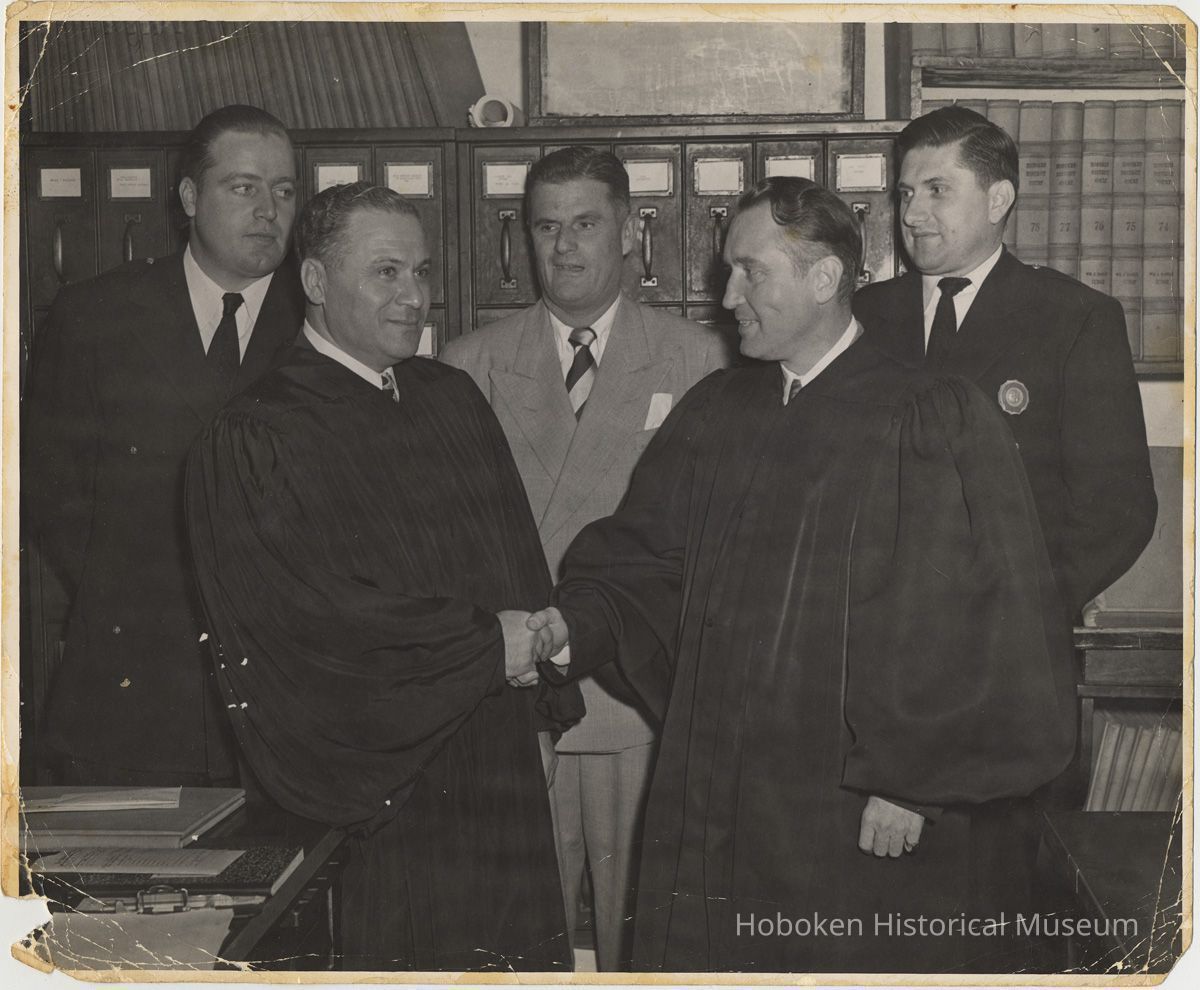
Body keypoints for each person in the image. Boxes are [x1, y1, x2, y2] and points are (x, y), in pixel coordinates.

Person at [526, 177, 1078, 973]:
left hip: (849, 796)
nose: (728, 294)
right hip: (716, 779)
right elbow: (643, 557)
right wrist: (577, 622)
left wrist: (910, 781)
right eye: (729, 271)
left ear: (825, 279)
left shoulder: (925, 414)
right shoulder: (718, 409)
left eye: (751, 271)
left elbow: (978, 616)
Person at [185, 181, 572, 971]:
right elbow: (306, 621)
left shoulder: (449, 397)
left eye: (421, 273)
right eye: (386, 273)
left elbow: (515, 563)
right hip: (380, 782)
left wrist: (542, 713)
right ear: (317, 284)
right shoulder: (258, 433)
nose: (414, 297)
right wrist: (477, 648)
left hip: (493, 755)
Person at [442, 147, 729, 970]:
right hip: (515, 705)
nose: (565, 247)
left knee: (646, 944)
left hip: (637, 702)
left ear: (631, 232)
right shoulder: (468, 365)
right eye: (546, 227)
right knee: (513, 944)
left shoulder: (700, 361)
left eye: (585, 224)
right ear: (522, 240)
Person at [22, 104, 305, 786]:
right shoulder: (95, 317)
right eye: (243, 187)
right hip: (132, 686)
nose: (268, 209)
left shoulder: (321, 321)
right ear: (188, 198)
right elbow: (53, 495)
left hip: (287, 698)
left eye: (285, 191)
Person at [854, 105, 1156, 623]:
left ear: (998, 199)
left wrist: (1027, 603)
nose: (910, 214)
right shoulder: (862, 316)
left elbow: (1117, 508)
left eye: (937, 190)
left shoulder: (1075, 319)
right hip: (878, 627)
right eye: (906, 194)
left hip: (1011, 639)